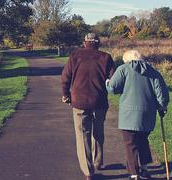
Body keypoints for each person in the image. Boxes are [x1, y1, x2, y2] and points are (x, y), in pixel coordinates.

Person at [106, 50, 169, 180]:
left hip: (128, 115)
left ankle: (134, 174)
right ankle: (144, 168)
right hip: (147, 114)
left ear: (127, 60)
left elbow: (113, 88)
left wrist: (107, 83)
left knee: (130, 143)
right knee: (142, 140)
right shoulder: (153, 71)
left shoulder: (123, 69)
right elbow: (161, 94)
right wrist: (162, 107)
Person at [61, 33, 115, 180]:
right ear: (98, 43)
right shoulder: (106, 57)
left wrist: (66, 94)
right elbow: (113, 80)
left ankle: (88, 171)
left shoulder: (75, 56)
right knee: (98, 131)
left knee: (82, 135)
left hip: (79, 101)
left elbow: (65, 77)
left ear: (85, 42)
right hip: (99, 101)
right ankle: (98, 162)